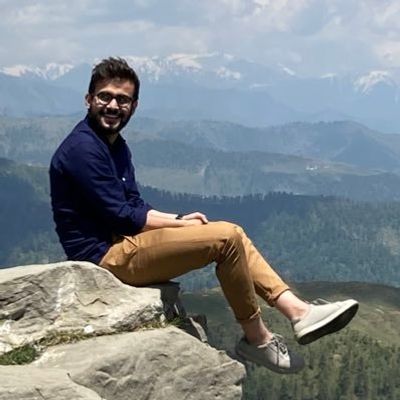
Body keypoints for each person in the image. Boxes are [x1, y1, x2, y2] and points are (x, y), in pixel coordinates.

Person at [50, 57, 359, 374]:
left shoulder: (114, 145)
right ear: (89, 99)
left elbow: (134, 203)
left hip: (125, 243)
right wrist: (179, 223)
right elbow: (122, 215)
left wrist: (180, 219)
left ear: (134, 106)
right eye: (105, 97)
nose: (113, 106)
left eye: (123, 99)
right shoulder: (83, 149)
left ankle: (297, 311)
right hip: (106, 258)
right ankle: (258, 339)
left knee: (232, 232)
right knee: (225, 238)